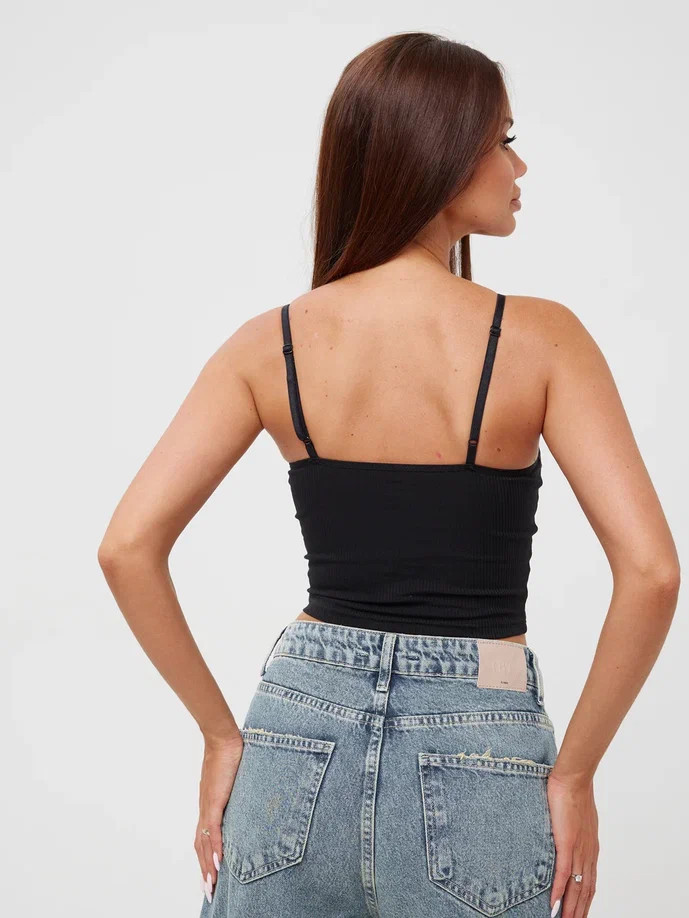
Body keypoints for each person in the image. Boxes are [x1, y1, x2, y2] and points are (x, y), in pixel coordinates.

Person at [98, 31, 680, 918]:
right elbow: (651, 572)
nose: (519, 167)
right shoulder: (540, 339)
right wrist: (575, 776)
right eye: (502, 140)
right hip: (480, 730)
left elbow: (126, 547)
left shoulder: (269, 342)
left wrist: (220, 735)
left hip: (296, 725)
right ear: (438, 153)